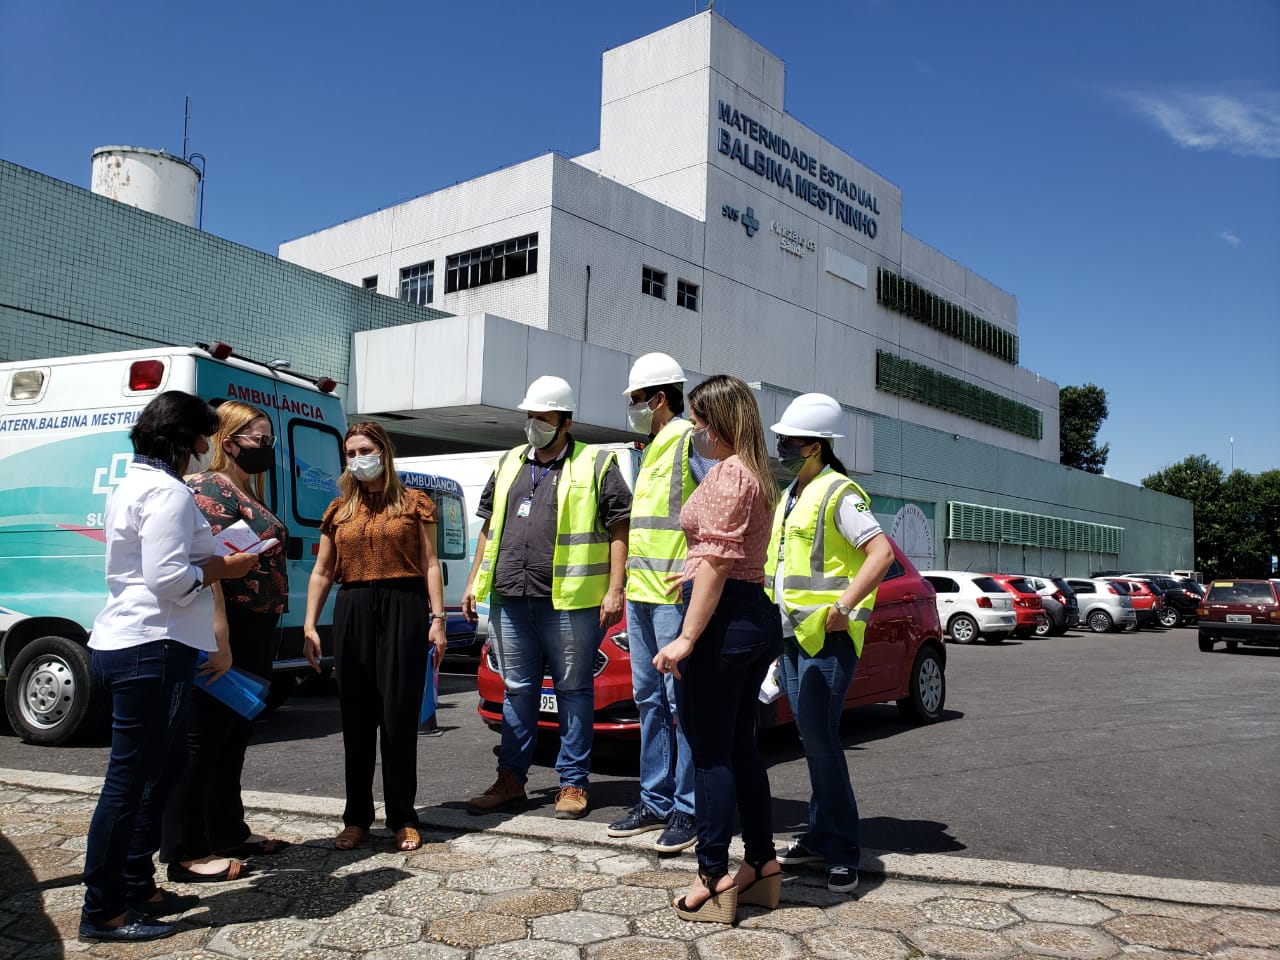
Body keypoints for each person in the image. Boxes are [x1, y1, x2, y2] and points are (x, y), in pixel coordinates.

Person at [80, 391, 258, 943]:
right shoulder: (167, 492)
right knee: (130, 782)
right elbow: (167, 579)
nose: (206, 449)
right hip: (150, 647)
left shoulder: (134, 485)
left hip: (142, 643)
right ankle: (104, 909)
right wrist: (224, 569)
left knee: (158, 773)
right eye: (203, 438)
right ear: (184, 440)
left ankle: (137, 885)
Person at [462, 375, 631, 819]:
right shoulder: (511, 461)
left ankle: (573, 783)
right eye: (530, 416)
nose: (534, 424)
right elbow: (488, 526)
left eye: (543, 418)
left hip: (569, 601)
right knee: (518, 690)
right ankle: (510, 780)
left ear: (566, 421)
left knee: (574, 690)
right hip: (510, 597)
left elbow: (620, 528)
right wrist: (473, 581)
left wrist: (616, 588)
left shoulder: (597, 463)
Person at [651, 374, 781, 924]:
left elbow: (721, 560)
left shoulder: (730, 474)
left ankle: (713, 875)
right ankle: (761, 864)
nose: (696, 430)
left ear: (721, 421)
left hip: (725, 623)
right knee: (741, 747)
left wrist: (686, 636)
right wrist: (691, 578)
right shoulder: (756, 473)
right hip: (750, 614)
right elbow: (727, 559)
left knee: (708, 753)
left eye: (702, 421)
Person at [765, 393, 894, 895]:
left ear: (814, 446)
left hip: (827, 639)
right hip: (793, 637)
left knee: (821, 743)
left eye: (789, 441)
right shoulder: (793, 492)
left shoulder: (839, 492)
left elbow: (880, 553)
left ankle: (843, 850)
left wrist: (843, 606)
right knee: (813, 741)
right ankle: (821, 835)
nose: (781, 447)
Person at [160, 401, 291, 880]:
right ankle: (184, 851)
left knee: (232, 737)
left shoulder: (243, 488)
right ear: (229, 439)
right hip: (226, 625)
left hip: (256, 625)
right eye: (259, 438)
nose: (267, 447)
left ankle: (227, 831)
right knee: (202, 740)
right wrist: (220, 636)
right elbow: (210, 567)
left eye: (269, 439)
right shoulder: (207, 488)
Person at [302, 421, 447, 852]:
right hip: (353, 607)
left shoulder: (415, 504)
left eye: (364, 449)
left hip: (404, 604)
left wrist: (437, 618)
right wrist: (310, 624)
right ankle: (357, 818)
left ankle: (403, 816)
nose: (357, 458)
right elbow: (323, 571)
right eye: (350, 453)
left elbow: (430, 563)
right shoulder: (338, 510)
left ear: (383, 451)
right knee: (357, 718)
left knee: (399, 717)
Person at [607, 353, 709, 854]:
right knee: (650, 701)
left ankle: (688, 809)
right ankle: (655, 800)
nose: (632, 408)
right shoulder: (648, 449)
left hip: (673, 598)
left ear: (658, 399)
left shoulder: (691, 441)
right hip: (643, 596)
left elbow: (723, 508)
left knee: (678, 704)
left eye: (635, 400)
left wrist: (693, 571)